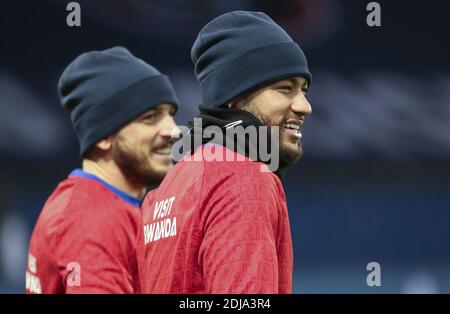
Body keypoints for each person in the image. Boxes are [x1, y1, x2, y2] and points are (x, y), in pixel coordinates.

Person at [138, 11, 312, 293]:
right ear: (234, 96)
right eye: (285, 89)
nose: (305, 106)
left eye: (304, 89)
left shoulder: (169, 185)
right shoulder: (244, 179)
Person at [26, 46, 179, 294]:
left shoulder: (100, 204)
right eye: (150, 117)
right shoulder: (92, 218)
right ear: (103, 136)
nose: (173, 130)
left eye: (170, 114)